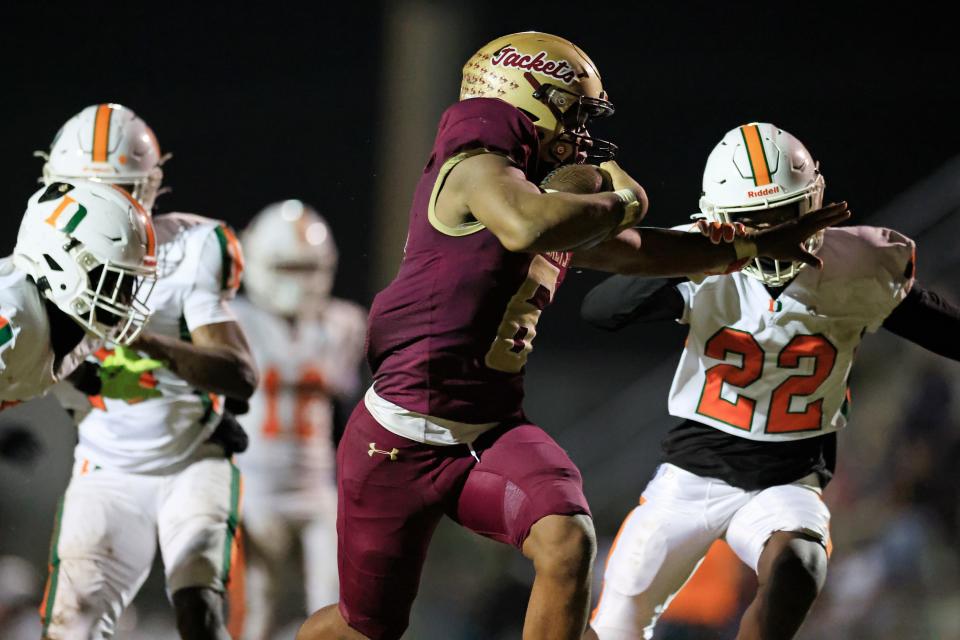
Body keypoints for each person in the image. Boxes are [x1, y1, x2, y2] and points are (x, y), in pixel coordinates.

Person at [297, 34, 846, 640]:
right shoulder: (475, 165)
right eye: (573, 111)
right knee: (367, 628)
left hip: (489, 430)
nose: (582, 133)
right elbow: (526, 224)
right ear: (524, 97)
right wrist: (627, 198)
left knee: (567, 538)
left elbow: (642, 253)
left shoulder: (543, 192)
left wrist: (750, 246)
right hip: (398, 438)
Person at [583, 123, 960, 640]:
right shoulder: (703, 262)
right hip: (690, 479)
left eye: (789, 216)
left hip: (788, 481)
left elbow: (946, 330)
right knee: (614, 625)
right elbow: (600, 311)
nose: (778, 234)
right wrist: (695, 256)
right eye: (757, 223)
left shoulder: (857, 268)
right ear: (720, 222)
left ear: (817, 201)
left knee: (799, 564)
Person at [38, 103, 259, 640]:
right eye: (84, 189)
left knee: (199, 611)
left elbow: (240, 374)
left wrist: (141, 337)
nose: (99, 206)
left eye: (117, 190)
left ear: (147, 187)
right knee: (70, 626)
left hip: (192, 457)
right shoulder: (40, 257)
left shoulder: (188, 250)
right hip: (106, 468)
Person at [232, 201, 366, 639]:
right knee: (256, 607)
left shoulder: (342, 324)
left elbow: (351, 412)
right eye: (287, 267)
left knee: (341, 603)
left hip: (316, 487)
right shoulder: (235, 321)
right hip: (256, 489)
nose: (300, 281)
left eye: (309, 268)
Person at [1, 179, 156, 408]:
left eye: (126, 282)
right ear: (63, 261)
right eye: (111, 279)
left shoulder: (67, 318)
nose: (122, 298)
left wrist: (90, 379)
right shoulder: (10, 316)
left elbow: (40, 352)